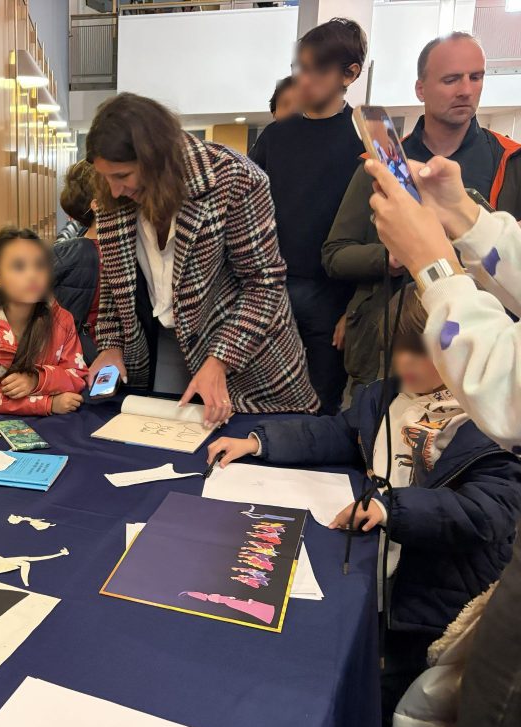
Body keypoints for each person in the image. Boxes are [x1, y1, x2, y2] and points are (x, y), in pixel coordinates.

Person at [206, 283, 521, 727]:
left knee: (391, 704)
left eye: (424, 354)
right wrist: (260, 442)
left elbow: (488, 513)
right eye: (398, 350)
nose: (405, 364)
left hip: (429, 603)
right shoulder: (385, 397)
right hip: (374, 576)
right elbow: (336, 433)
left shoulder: (495, 426)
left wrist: (393, 508)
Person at [365, 155, 521, 727]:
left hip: (433, 605)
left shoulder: (476, 433)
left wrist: (435, 269)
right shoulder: (387, 399)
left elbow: (504, 394)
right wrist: (460, 214)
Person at [85, 92, 318, 425]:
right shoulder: (114, 192)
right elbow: (114, 279)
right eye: (106, 177)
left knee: (247, 447)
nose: (114, 190)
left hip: (247, 354)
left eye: (122, 176)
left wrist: (220, 359)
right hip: (168, 344)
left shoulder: (234, 178)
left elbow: (264, 285)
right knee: (166, 436)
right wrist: (110, 344)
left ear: (157, 160)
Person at [323, 31, 521, 392]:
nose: (466, 90)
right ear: (420, 88)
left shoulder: (510, 161)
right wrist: (394, 257)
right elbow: (336, 254)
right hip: (388, 352)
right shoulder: (378, 166)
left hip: (480, 354)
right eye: (451, 79)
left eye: (476, 77)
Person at [248, 18, 367, 415]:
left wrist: (355, 309)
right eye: (301, 67)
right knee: (258, 404)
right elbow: (243, 215)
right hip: (269, 292)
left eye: (318, 69)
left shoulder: (365, 141)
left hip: (333, 298)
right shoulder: (275, 136)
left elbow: (381, 234)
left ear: (350, 74)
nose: (305, 78)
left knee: (319, 410)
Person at [0, 227, 86, 415]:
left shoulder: (61, 320)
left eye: (40, 265)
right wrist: (47, 404)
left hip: (41, 421)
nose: (32, 275)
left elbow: (77, 375)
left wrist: (36, 380)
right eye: (19, 266)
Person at [52, 160, 101, 363]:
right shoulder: (110, 255)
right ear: (97, 204)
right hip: (97, 358)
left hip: (79, 357)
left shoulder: (70, 252)